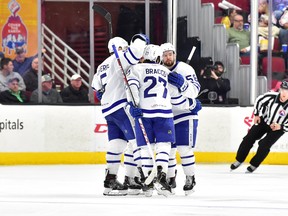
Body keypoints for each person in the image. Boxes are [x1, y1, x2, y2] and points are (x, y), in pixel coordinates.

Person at [91, 34, 149, 196]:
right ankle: (144, 178)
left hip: (108, 109)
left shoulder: (102, 65)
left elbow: (96, 87)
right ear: (122, 48)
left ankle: (110, 181)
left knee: (116, 144)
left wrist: (103, 93)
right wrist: (141, 40)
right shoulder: (121, 58)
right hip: (121, 105)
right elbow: (136, 51)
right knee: (136, 141)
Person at [126, 44, 178, 197]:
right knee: (164, 145)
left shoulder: (136, 69)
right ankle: (162, 176)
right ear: (157, 57)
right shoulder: (166, 70)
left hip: (145, 112)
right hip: (164, 111)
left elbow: (132, 88)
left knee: (145, 147)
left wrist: (133, 105)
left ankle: (148, 182)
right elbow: (174, 92)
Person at [160, 42, 202, 195]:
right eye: (165, 55)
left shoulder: (185, 69)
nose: (168, 57)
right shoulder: (158, 70)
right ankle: (170, 179)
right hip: (166, 114)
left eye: (170, 54)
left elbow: (195, 90)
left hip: (185, 113)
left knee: (184, 149)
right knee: (169, 150)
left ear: (174, 54)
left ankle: (190, 177)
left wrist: (183, 84)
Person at [230, 79, 288, 173]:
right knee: (248, 138)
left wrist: (280, 126)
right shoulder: (271, 96)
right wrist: (256, 114)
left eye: (287, 91)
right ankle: (239, 160)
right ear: (280, 89)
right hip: (264, 121)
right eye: (282, 90)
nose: (284, 93)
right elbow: (259, 100)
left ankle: (254, 164)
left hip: (278, 128)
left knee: (264, 145)